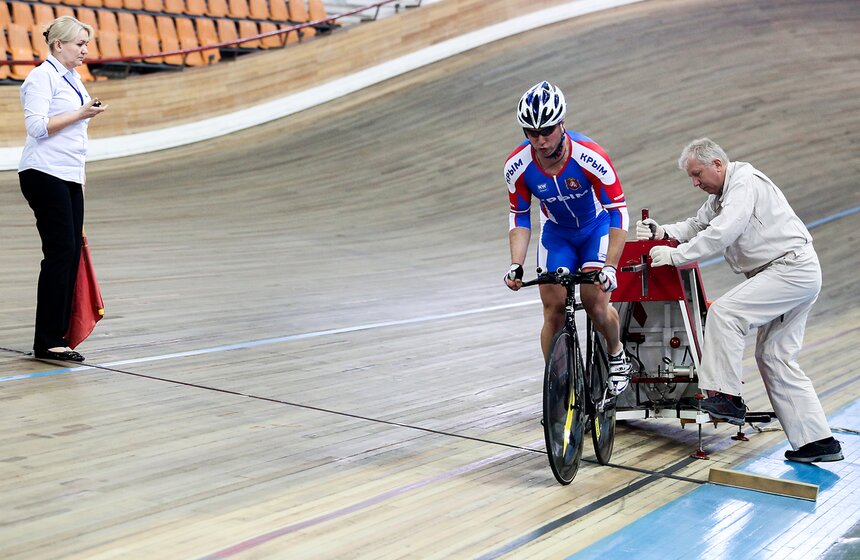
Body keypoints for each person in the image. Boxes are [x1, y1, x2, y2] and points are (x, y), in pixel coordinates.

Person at [638, 137, 842, 463]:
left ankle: (726, 397)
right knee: (774, 357)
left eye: (697, 174)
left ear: (717, 164)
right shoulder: (722, 194)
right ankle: (818, 442)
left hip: (789, 269)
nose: (694, 182)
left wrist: (676, 255)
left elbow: (722, 233)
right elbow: (697, 224)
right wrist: (663, 232)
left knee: (725, 312)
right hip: (790, 271)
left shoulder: (744, 183)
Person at [503, 81, 631, 395]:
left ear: (562, 123)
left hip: (595, 229)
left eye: (547, 130)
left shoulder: (591, 156)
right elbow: (519, 216)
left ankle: (616, 355)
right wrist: (516, 264)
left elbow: (619, 212)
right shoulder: (517, 166)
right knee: (553, 310)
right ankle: (559, 385)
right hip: (557, 234)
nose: (541, 140)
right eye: (532, 133)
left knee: (595, 304)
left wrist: (611, 267)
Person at [19, 16, 107, 362]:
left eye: (86, 44)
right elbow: (38, 128)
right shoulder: (41, 78)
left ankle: (57, 334)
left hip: (68, 175)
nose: (85, 50)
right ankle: (47, 340)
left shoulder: (73, 79)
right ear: (59, 45)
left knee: (70, 255)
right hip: (44, 172)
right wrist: (82, 113)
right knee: (60, 254)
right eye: (80, 44)